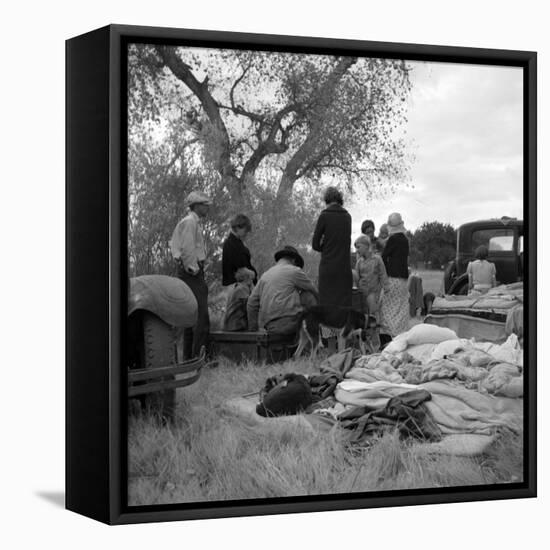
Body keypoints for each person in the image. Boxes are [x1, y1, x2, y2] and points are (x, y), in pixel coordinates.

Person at [169, 191, 211, 358]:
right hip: (192, 273)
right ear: (197, 206)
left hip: (190, 272)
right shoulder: (190, 222)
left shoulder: (191, 222)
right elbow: (187, 248)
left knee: (190, 316)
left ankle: (188, 358)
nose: (207, 208)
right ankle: (200, 358)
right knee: (201, 317)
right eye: (204, 204)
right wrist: (194, 269)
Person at [247, 246, 318, 335]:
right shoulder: (294, 271)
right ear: (294, 261)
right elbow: (314, 291)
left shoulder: (265, 275)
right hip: (291, 324)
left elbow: (251, 303)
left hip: (271, 327)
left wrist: (253, 330)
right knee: (308, 294)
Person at [312, 187, 353, 327]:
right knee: (343, 307)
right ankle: (343, 344)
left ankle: (330, 346)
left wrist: (326, 247)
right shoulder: (347, 216)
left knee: (327, 305)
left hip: (328, 267)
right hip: (344, 269)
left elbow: (315, 244)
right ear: (340, 200)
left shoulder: (324, 215)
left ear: (327, 200)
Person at [380, 212, 410, 342]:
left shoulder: (393, 239)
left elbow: (384, 257)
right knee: (401, 308)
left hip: (392, 277)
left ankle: (389, 336)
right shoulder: (405, 240)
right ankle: (400, 336)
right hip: (403, 279)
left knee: (388, 308)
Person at [354, 235, 388, 319]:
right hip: (362, 292)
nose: (357, 250)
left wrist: (386, 286)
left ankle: (375, 329)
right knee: (363, 314)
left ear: (366, 246)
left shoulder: (377, 259)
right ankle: (365, 330)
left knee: (374, 313)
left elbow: (383, 274)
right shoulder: (359, 262)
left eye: (358, 247)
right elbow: (356, 277)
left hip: (373, 292)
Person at [222, 214, 257, 286]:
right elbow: (241, 270)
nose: (247, 233)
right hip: (237, 286)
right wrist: (253, 274)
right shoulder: (231, 243)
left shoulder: (237, 242)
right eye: (246, 230)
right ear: (238, 227)